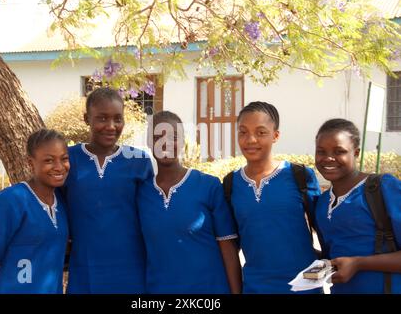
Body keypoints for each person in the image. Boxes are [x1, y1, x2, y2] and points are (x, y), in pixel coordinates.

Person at [136, 111, 241, 293]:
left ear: (183, 142)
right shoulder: (141, 192)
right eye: (157, 137)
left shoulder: (209, 186)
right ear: (149, 143)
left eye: (173, 137)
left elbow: (228, 248)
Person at [62, 87, 153, 293]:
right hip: (85, 269)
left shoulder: (139, 161)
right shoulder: (69, 159)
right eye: (102, 118)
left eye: (117, 119)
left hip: (131, 269)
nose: (111, 126)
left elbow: (151, 216)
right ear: (87, 119)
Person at [225, 101, 321, 294]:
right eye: (243, 132)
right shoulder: (230, 184)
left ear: (275, 135)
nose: (250, 139)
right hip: (255, 287)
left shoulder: (299, 176)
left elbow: (324, 231)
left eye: (261, 132)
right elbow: (231, 245)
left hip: (304, 287)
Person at [0, 129, 70, 294]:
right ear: (30, 163)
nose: (59, 167)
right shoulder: (10, 200)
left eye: (64, 159)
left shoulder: (63, 203)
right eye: (49, 160)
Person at [314, 118, 401, 294]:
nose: (328, 158)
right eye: (321, 151)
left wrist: (359, 263)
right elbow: (335, 255)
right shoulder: (322, 203)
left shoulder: (382, 188)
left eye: (339, 151)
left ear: (356, 153)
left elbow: (353, 260)